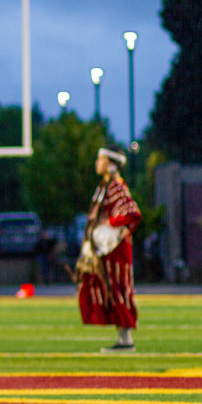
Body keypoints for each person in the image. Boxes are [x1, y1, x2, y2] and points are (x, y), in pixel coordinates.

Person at [77, 146, 141, 351]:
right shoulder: (105, 187)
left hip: (117, 250)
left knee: (119, 288)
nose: (97, 163)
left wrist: (112, 224)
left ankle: (126, 339)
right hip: (107, 250)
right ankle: (123, 339)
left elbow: (132, 212)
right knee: (110, 289)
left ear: (111, 164)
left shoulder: (116, 186)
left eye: (101, 159)